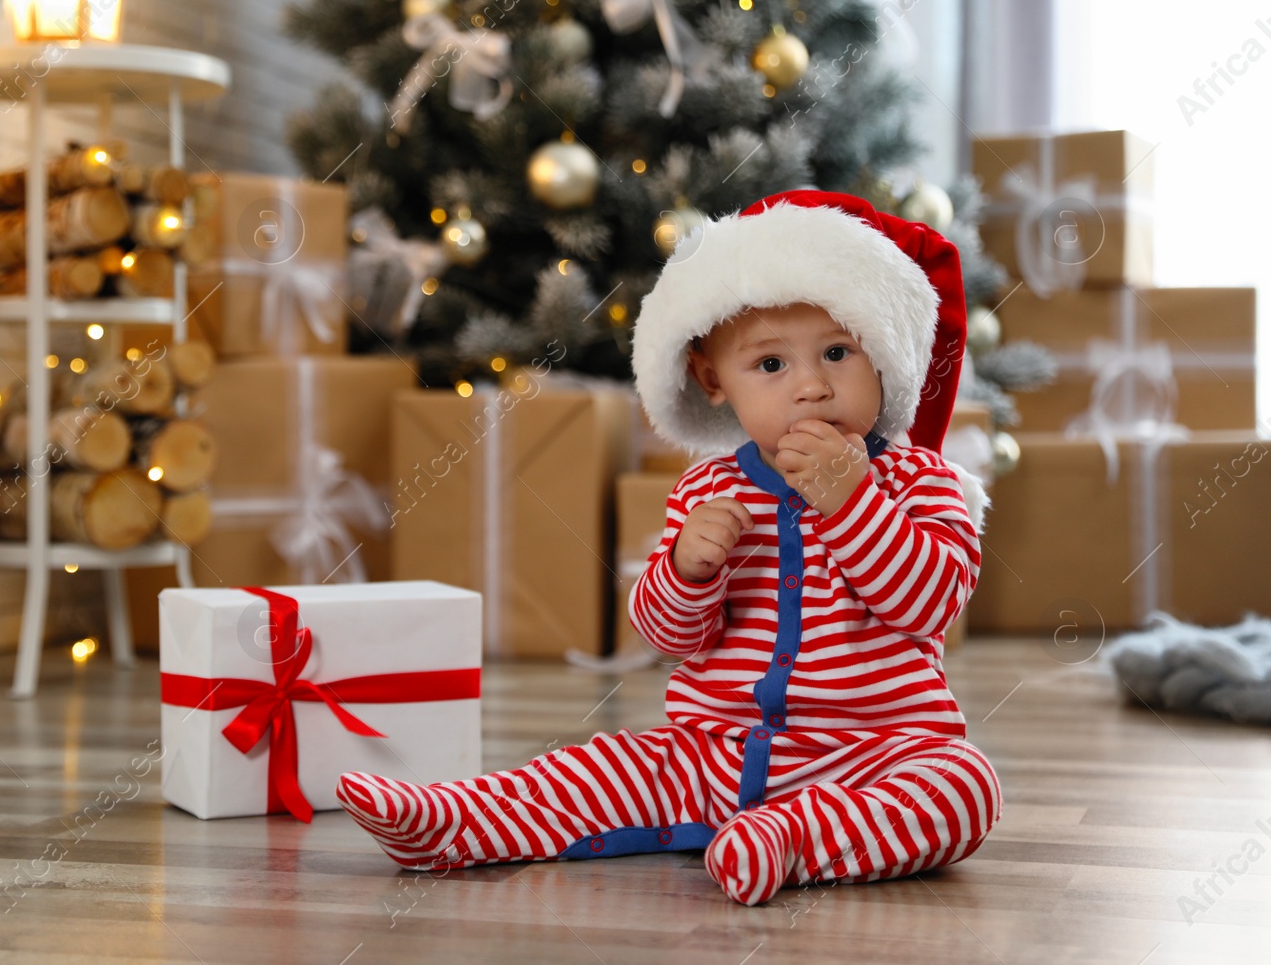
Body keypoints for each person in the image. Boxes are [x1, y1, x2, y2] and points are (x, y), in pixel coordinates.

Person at [336, 189, 1000, 905]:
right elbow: (670, 635)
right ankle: (454, 820)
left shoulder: (921, 482)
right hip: (714, 752)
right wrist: (686, 569)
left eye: (837, 352)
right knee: (604, 764)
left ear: (883, 356)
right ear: (715, 382)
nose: (811, 386)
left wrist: (853, 502)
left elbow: (930, 602)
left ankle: (792, 837)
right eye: (770, 366)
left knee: (964, 787)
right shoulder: (706, 489)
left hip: (875, 756)